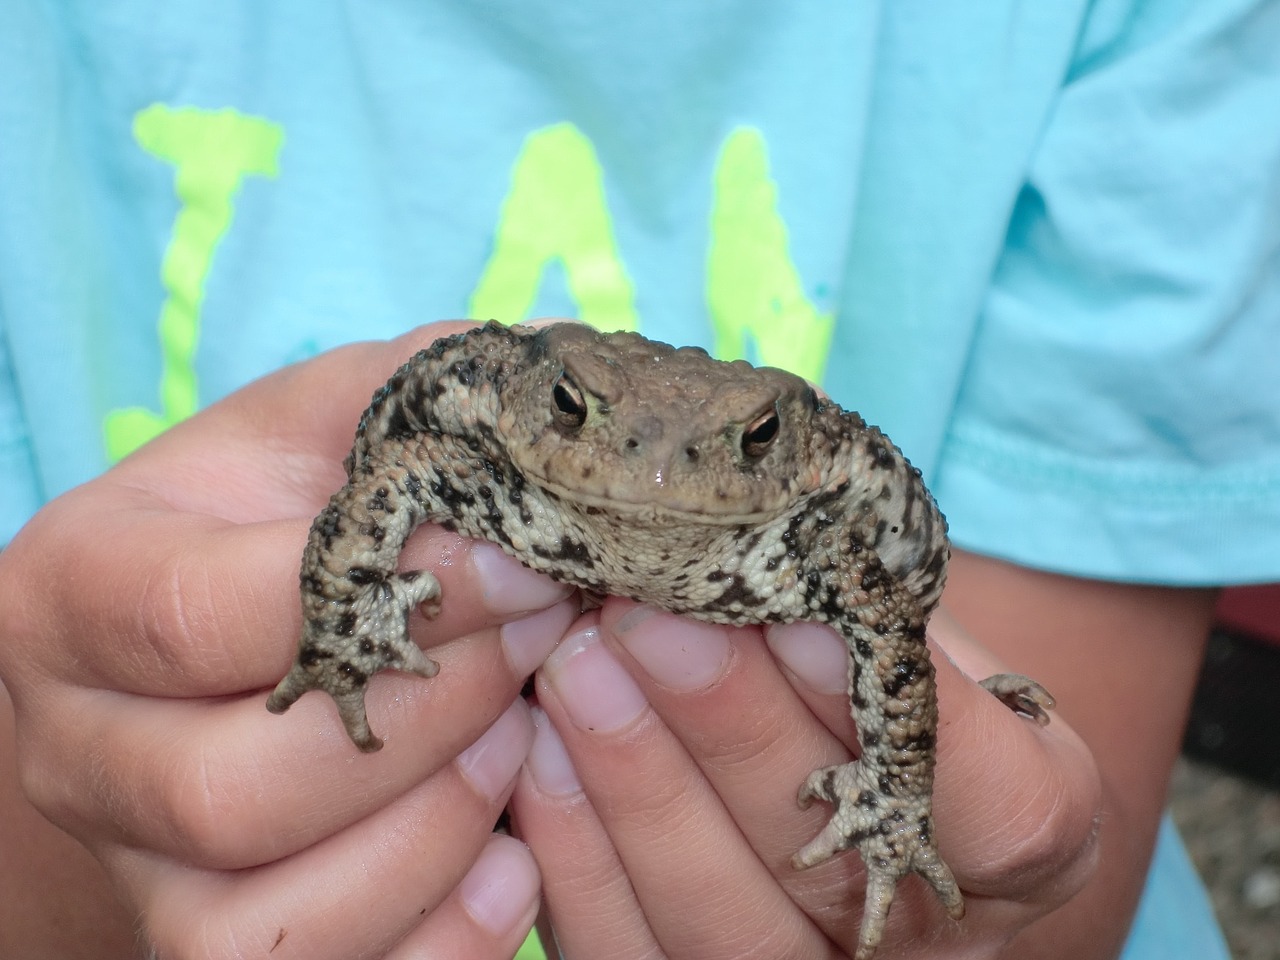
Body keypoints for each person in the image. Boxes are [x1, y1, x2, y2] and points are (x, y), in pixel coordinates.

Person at [0, 3, 1275, 958]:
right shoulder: (492, 452)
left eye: (731, 446)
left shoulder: (806, 524)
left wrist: (907, 811)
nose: (653, 471)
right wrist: (335, 632)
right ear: (547, 405)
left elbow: (899, 623)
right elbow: (387, 467)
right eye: (586, 421)